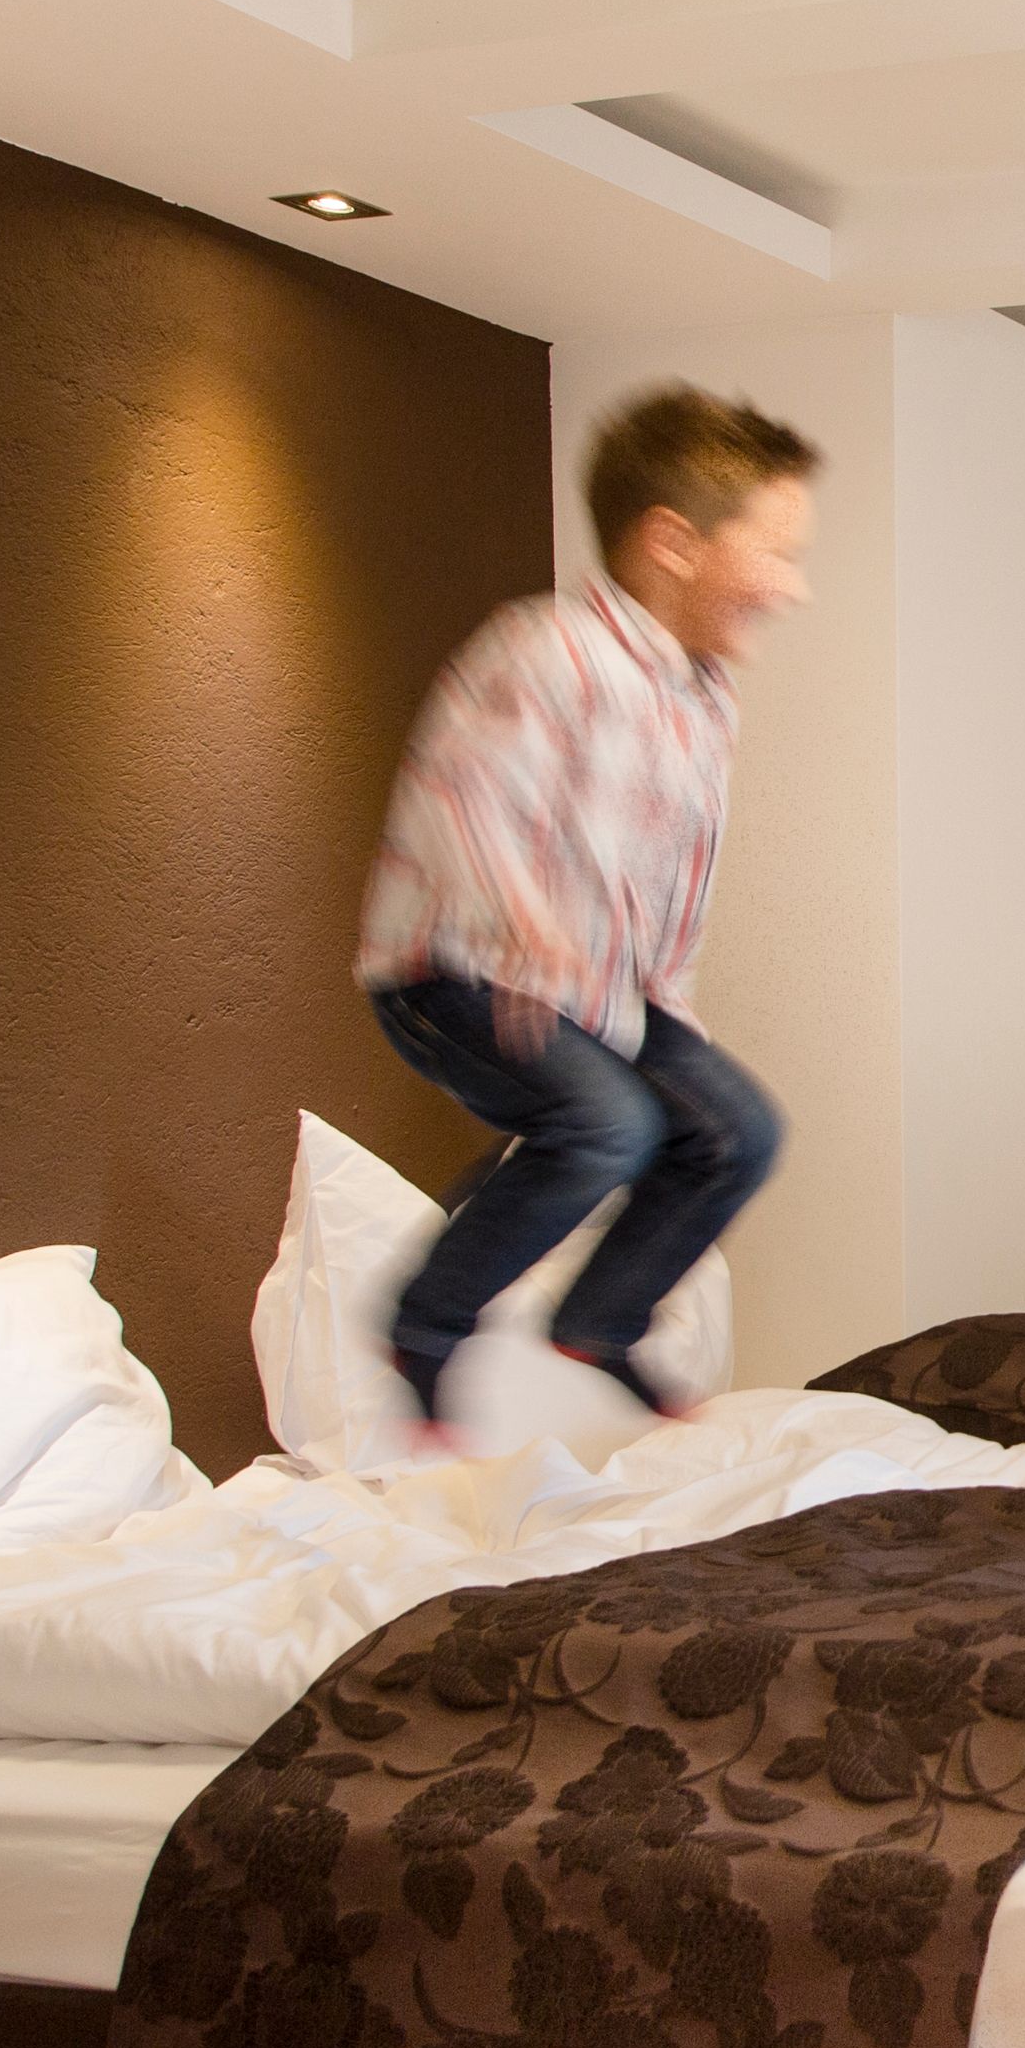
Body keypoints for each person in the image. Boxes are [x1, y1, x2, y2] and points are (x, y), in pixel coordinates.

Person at [354, 384, 816, 1438]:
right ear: (673, 543)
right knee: (607, 1125)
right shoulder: (548, 650)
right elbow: (464, 797)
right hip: (453, 970)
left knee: (738, 1132)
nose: (793, 588)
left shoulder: (705, 696)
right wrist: (529, 925)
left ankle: (599, 1323)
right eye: (775, 555)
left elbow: (674, 876)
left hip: (601, 992)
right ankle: (425, 1324)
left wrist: (671, 1010)